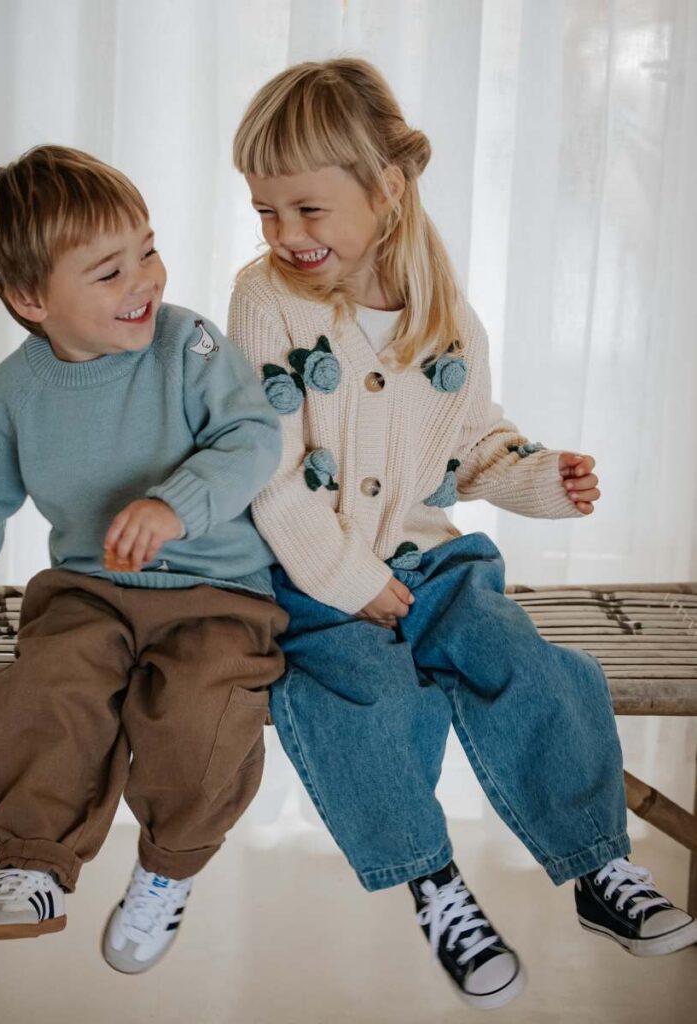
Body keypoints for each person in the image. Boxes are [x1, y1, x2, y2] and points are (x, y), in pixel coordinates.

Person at [226, 59, 697, 1010]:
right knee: (357, 697)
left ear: (386, 189)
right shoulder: (263, 299)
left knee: (528, 664)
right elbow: (260, 464)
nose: (285, 235)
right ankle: (433, 885)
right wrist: (342, 575)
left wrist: (539, 476)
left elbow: (470, 442)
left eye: (308, 211)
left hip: (436, 564)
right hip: (311, 570)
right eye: (266, 212)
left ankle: (595, 867)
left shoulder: (447, 318)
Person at [0, 145, 287, 975]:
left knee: (200, 715)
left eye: (147, 250)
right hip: (90, 593)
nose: (144, 282)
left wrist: (176, 504)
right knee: (47, 689)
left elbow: (253, 436)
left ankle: (167, 868)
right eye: (109, 271)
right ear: (30, 298)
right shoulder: (14, 396)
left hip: (217, 596)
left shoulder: (188, 347)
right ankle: (34, 864)